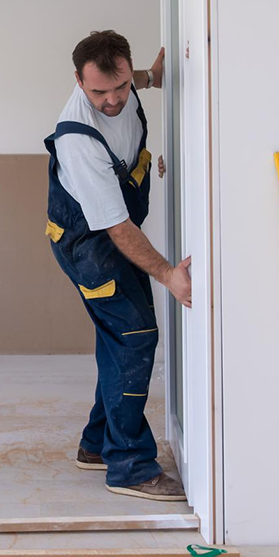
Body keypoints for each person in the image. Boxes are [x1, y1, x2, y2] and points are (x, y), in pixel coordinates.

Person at [43, 29, 193, 501]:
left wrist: (153, 76)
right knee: (134, 337)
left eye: (122, 86)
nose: (112, 101)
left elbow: (139, 80)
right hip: (90, 243)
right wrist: (169, 274)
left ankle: (95, 446)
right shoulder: (77, 139)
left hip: (114, 234)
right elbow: (117, 228)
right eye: (98, 92)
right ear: (78, 82)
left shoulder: (128, 84)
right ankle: (128, 465)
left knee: (118, 339)